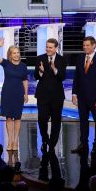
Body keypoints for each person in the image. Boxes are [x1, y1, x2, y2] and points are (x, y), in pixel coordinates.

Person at [71, 36, 96, 168]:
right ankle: (83, 144)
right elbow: (76, 78)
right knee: (83, 120)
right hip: (81, 97)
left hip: (95, 98)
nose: (85, 47)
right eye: (84, 45)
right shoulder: (80, 59)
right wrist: (74, 93)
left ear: (94, 46)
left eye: (87, 45)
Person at [34, 38, 67, 181]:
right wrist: (40, 71)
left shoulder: (61, 60)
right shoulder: (40, 58)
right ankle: (45, 139)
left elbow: (62, 77)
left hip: (56, 96)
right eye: (47, 47)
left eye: (50, 47)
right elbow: (36, 76)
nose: (48, 49)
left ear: (56, 48)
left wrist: (54, 69)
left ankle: (52, 144)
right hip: (42, 95)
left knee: (56, 121)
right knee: (42, 118)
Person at [0, 37, 28, 164]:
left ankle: (15, 141)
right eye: (14, 53)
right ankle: (10, 141)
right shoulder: (6, 63)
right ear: (10, 54)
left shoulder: (23, 66)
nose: (16, 55)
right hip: (7, 93)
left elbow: (25, 80)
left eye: (18, 52)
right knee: (9, 117)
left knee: (18, 118)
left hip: (18, 93)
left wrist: (26, 94)